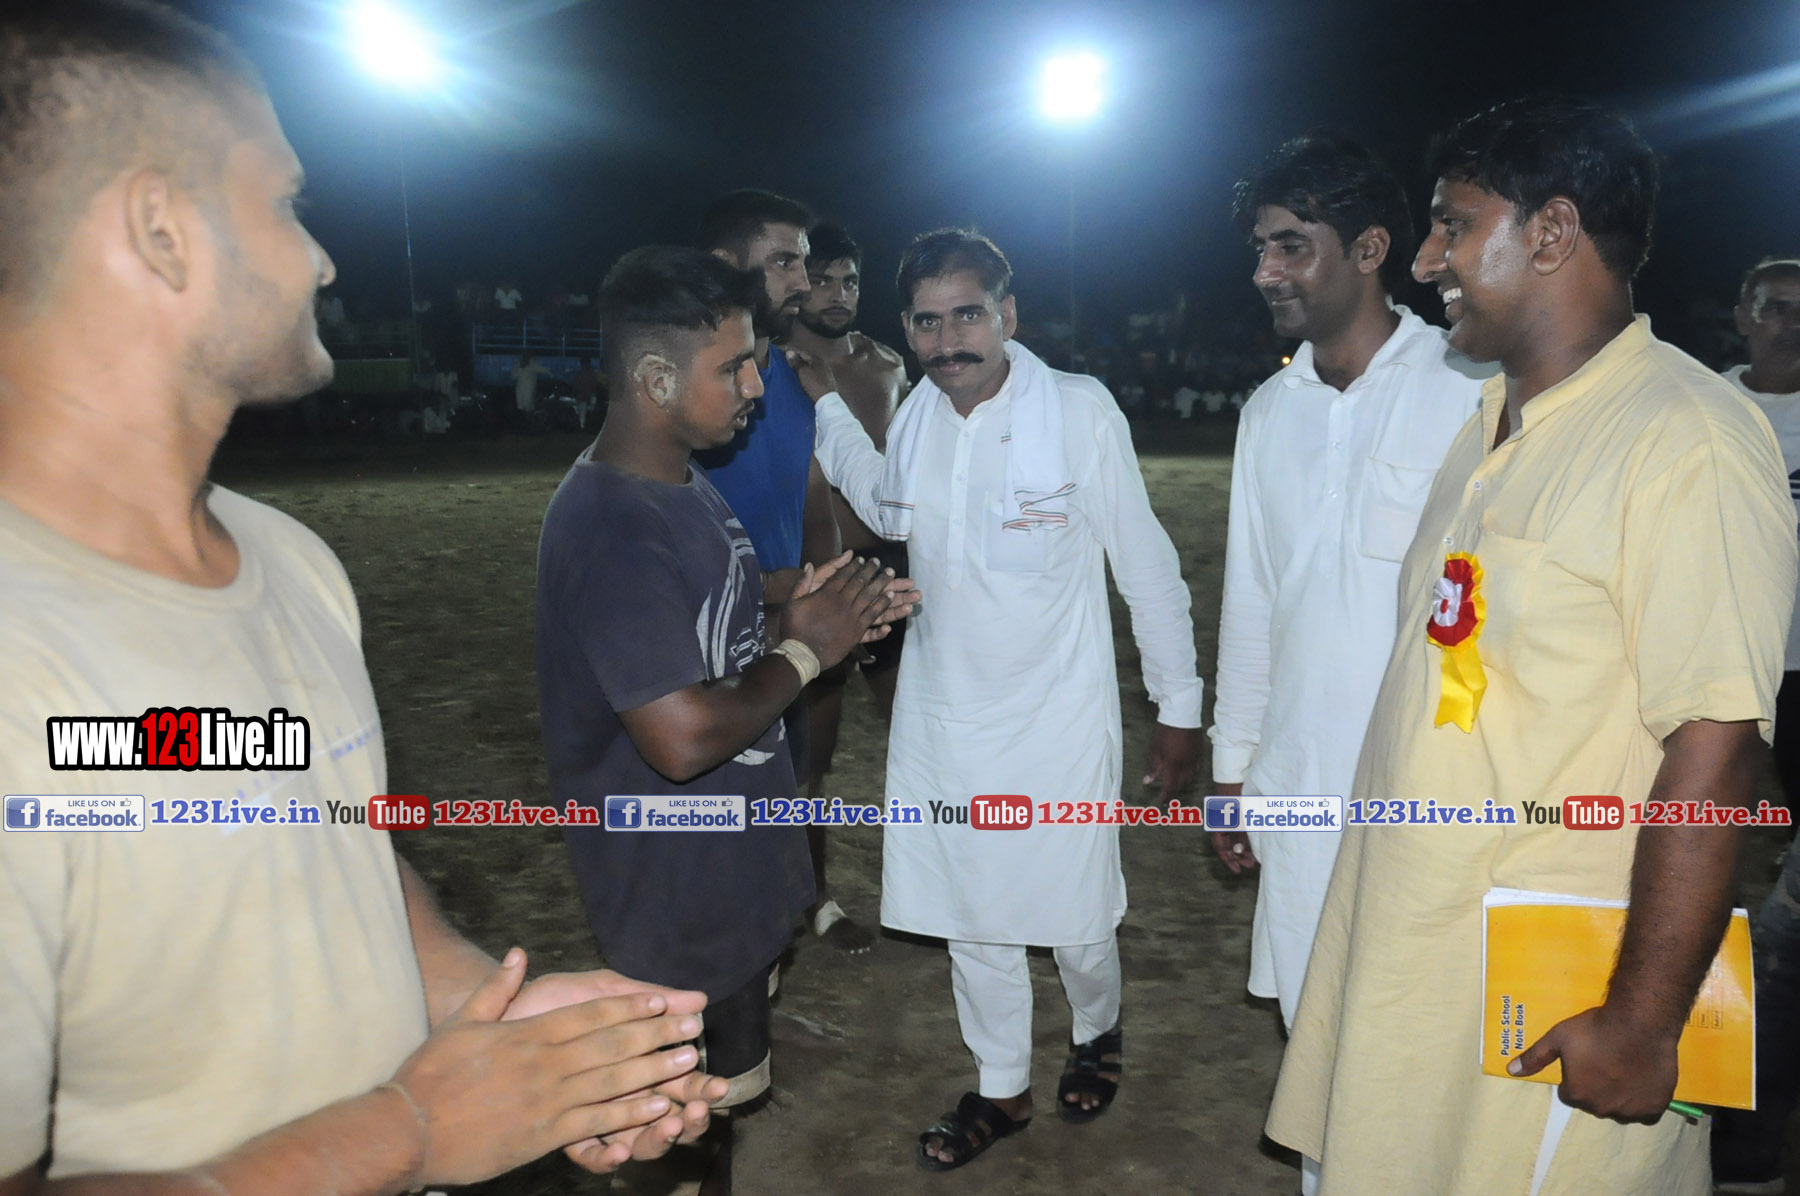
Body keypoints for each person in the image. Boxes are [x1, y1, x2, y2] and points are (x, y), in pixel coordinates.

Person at [0, 4, 729, 1193]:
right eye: (287, 203)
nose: (325, 261)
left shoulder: (287, 560)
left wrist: (495, 1021)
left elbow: (326, 846)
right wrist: (412, 1130)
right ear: (161, 230)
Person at [1265, 96, 1797, 1195]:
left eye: (1453, 225)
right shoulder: (1492, 424)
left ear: (1552, 232)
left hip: (1560, 983)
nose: (1425, 260)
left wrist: (1643, 1022)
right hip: (1421, 947)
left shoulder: (1684, 437)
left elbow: (1715, 748)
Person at [805, 229, 1205, 1169]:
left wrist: (1179, 708)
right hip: (944, 716)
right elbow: (888, 501)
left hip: (1059, 718)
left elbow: (1146, 566)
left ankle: (1096, 1030)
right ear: (909, 330)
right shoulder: (919, 413)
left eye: (968, 316)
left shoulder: (1076, 410)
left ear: (1008, 315)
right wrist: (827, 410)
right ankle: (1001, 1087)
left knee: (1074, 913)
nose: (948, 342)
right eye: (927, 323)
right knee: (971, 911)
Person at [537, 245, 914, 1188]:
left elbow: (721, 640)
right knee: (678, 1135)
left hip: (728, 869)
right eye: (735, 367)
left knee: (716, 1115)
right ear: (655, 378)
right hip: (676, 896)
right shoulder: (615, 525)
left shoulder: (680, 480)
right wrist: (807, 651)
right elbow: (680, 737)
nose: (756, 387)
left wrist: (817, 614)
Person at [1207, 132, 1485, 1196]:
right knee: (1315, 1043)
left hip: (1435, 792)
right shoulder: (1269, 412)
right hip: (1301, 787)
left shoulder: (1470, 388)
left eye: (1292, 245)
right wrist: (1236, 771)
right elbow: (1254, 602)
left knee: (1424, 1055)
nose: (1264, 271)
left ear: (1370, 249)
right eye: (1259, 248)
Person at [693, 189, 842, 911]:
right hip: (704, 651)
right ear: (727, 263)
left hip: (788, 636)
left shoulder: (794, 378)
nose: (803, 282)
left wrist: (830, 594)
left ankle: (804, 918)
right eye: (784, 262)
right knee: (716, 833)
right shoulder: (686, 388)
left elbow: (812, 498)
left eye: (803, 263)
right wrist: (770, 593)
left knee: (793, 790)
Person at [786, 220, 909, 954]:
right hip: (817, 582)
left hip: (892, 575)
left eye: (851, 281)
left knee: (923, 738)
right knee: (811, 757)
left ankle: (940, 887)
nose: (839, 294)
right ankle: (816, 901)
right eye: (824, 279)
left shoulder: (888, 363)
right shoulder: (772, 368)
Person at [1710, 256, 1800, 1196]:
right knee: (1700, 868)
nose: (1790, 325)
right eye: (1774, 307)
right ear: (1742, 314)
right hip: (1720, 669)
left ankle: (1754, 1124)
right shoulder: (1705, 407)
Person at [513, 351, 552, 427]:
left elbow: (542, 369)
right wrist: (520, 368)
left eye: (527, 356)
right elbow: (513, 376)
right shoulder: (518, 364)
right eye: (525, 356)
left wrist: (550, 373)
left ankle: (529, 422)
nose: (526, 357)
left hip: (529, 388)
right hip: (520, 389)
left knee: (528, 405)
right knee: (520, 405)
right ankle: (523, 423)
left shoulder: (533, 364)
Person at [573, 353, 599, 430]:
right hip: (590, 396)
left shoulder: (579, 373)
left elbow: (576, 386)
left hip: (582, 397)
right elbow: (594, 386)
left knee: (582, 411)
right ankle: (586, 424)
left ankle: (582, 425)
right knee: (590, 408)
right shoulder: (593, 373)